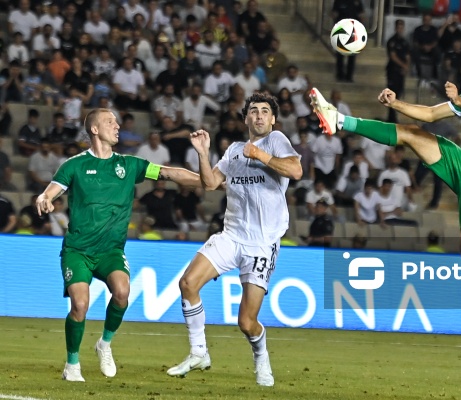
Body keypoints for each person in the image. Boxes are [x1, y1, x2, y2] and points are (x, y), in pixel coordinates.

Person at [309, 49, 461, 352]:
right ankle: (339, 120)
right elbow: (431, 114)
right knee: (412, 133)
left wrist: (459, 100)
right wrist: (394, 102)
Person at [35, 108, 204, 382]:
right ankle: (72, 364)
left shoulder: (130, 164)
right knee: (79, 304)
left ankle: (104, 343)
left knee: (123, 292)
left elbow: (169, 173)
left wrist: (208, 181)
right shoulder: (74, 165)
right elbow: (51, 190)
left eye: (116, 121)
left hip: (111, 251)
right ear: (94, 129)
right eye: (110, 122)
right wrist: (44, 199)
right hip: (78, 250)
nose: (117, 126)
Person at [166, 93, 302, 386]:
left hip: (262, 244)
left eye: (265, 111)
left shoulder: (276, 140)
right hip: (231, 235)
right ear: (245, 119)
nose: (260, 116)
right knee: (188, 283)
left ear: (273, 119)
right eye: (253, 111)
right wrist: (203, 153)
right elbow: (211, 183)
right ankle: (199, 352)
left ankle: (261, 357)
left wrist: (262, 155)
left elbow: (296, 170)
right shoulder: (234, 150)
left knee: (246, 323)